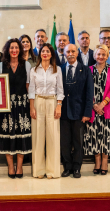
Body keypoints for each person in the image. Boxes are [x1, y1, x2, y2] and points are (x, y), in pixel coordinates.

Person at [0, 38, 32, 179]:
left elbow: (29, 87)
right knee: (8, 135)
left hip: (23, 105)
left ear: (20, 49)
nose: (14, 50)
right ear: (7, 50)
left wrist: (31, 106)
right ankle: (11, 166)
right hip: (6, 106)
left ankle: (20, 166)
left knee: (21, 135)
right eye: (11, 48)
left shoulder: (27, 65)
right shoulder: (0, 66)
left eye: (16, 48)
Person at [29, 43, 64, 179]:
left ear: (51, 54)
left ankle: (52, 170)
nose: (45, 53)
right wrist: (32, 107)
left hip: (52, 101)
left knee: (52, 136)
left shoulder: (57, 69)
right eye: (43, 51)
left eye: (48, 51)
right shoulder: (34, 70)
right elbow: (31, 90)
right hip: (38, 101)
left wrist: (59, 105)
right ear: (40, 53)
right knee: (38, 137)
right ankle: (38, 170)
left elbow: (60, 89)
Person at [84, 44, 110, 175]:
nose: (101, 56)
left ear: (107, 56)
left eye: (103, 54)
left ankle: (105, 161)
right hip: (93, 109)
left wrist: (102, 105)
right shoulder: (88, 69)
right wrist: (94, 105)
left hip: (108, 109)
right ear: (94, 56)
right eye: (98, 54)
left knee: (107, 136)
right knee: (94, 136)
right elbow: (86, 90)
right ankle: (97, 161)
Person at [60, 44, 93, 178]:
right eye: (68, 51)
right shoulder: (60, 69)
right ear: (64, 53)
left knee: (78, 142)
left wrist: (87, 113)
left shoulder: (85, 70)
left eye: (73, 51)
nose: (71, 53)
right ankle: (67, 167)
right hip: (63, 113)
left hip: (79, 113)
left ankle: (77, 167)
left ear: (77, 53)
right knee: (65, 142)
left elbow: (89, 93)